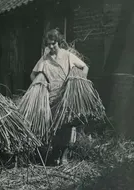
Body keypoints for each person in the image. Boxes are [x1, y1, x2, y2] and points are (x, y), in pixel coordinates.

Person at [30, 29, 89, 165]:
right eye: (48, 44)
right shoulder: (45, 59)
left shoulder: (67, 56)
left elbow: (84, 67)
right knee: (55, 128)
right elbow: (33, 74)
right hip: (51, 96)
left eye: (53, 44)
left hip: (66, 96)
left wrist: (78, 82)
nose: (51, 47)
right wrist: (41, 84)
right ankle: (56, 155)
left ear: (59, 42)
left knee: (67, 127)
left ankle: (64, 156)